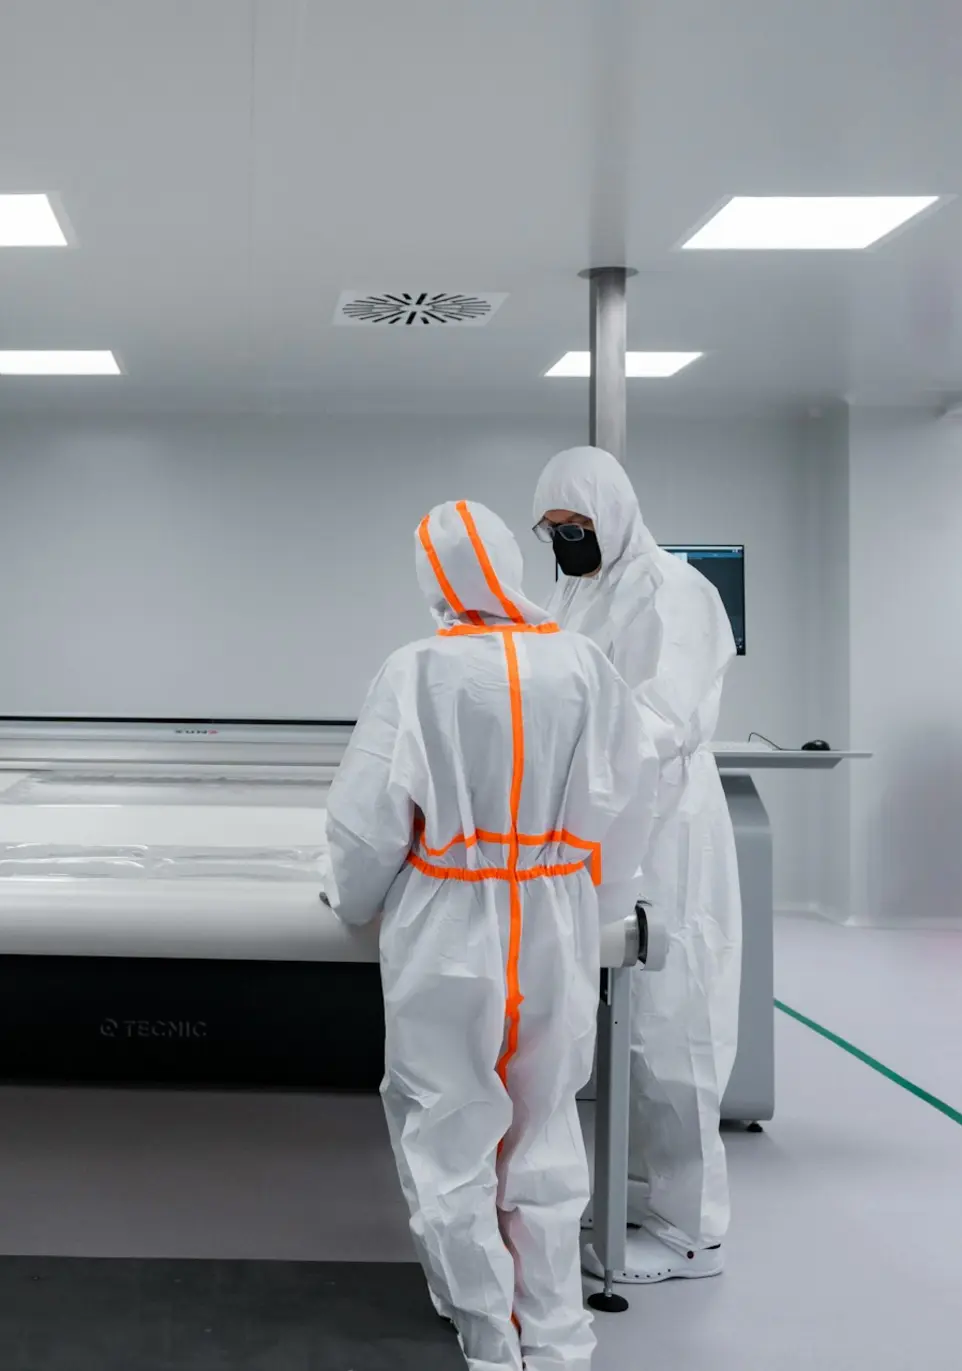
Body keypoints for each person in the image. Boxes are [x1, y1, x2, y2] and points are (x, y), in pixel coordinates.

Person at [320, 498, 659, 1371]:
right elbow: (629, 789)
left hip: (451, 921)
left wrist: (352, 900)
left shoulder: (418, 671)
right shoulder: (581, 665)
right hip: (554, 914)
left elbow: (367, 825)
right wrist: (602, 898)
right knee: (545, 1123)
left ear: (437, 574)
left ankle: (484, 1326)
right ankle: (556, 1330)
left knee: (448, 1122)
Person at [533, 446, 742, 1285]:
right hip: (609, 828)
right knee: (622, 1018)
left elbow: (662, 719)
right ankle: (638, 1194)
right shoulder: (578, 589)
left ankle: (693, 1230)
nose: (567, 541)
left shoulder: (673, 591)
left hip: (667, 831)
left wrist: (571, 765)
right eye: (553, 530)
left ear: (613, 515)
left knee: (674, 1023)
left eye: (578, 525)